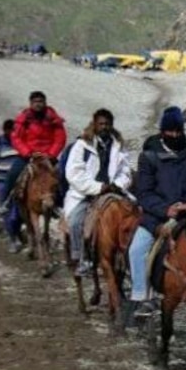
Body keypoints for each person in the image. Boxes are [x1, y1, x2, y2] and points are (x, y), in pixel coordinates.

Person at [128, 106, 186, 320]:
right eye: (171, 131)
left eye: (178, 131)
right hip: (159, 214)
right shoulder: (149, 156)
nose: (175, 135)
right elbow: (144, 192)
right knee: (137, 249)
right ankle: (143, 296)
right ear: (163, 131)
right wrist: (165, 209)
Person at [62, 109, 131, 277]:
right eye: (101, 124)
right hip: (87, 193)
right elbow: (74, 173)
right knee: (76, 221)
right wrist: (97, 187)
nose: (104, 127)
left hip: (113, 191)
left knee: (134, 216)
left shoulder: (119, 145)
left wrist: (117, 184)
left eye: (107, 124)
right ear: (94, 124)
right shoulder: (82, 145)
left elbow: (125, 171)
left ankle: (127, 257)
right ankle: (81, 258)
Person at [1, 91, 68, 207]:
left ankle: (61, 206)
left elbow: (60, 138)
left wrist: (51, 154)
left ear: (45, 103)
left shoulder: (54, 119)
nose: (38, 104)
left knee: (63, 177)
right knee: (13, 174)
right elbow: (16, 137)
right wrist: (27, 153)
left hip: (48, 156)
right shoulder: (24, 119)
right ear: (30, 103)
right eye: (35, 102)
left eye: (41, 101)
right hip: (28, 156)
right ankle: (5, 203)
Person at [0, 119, 23, 252]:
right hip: (2, 181)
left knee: (17, 212)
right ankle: (12, 239)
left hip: (19, 182)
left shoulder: (21, 142)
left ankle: (17, 232)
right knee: (6, 211)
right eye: (9, 131)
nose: (12, 133)